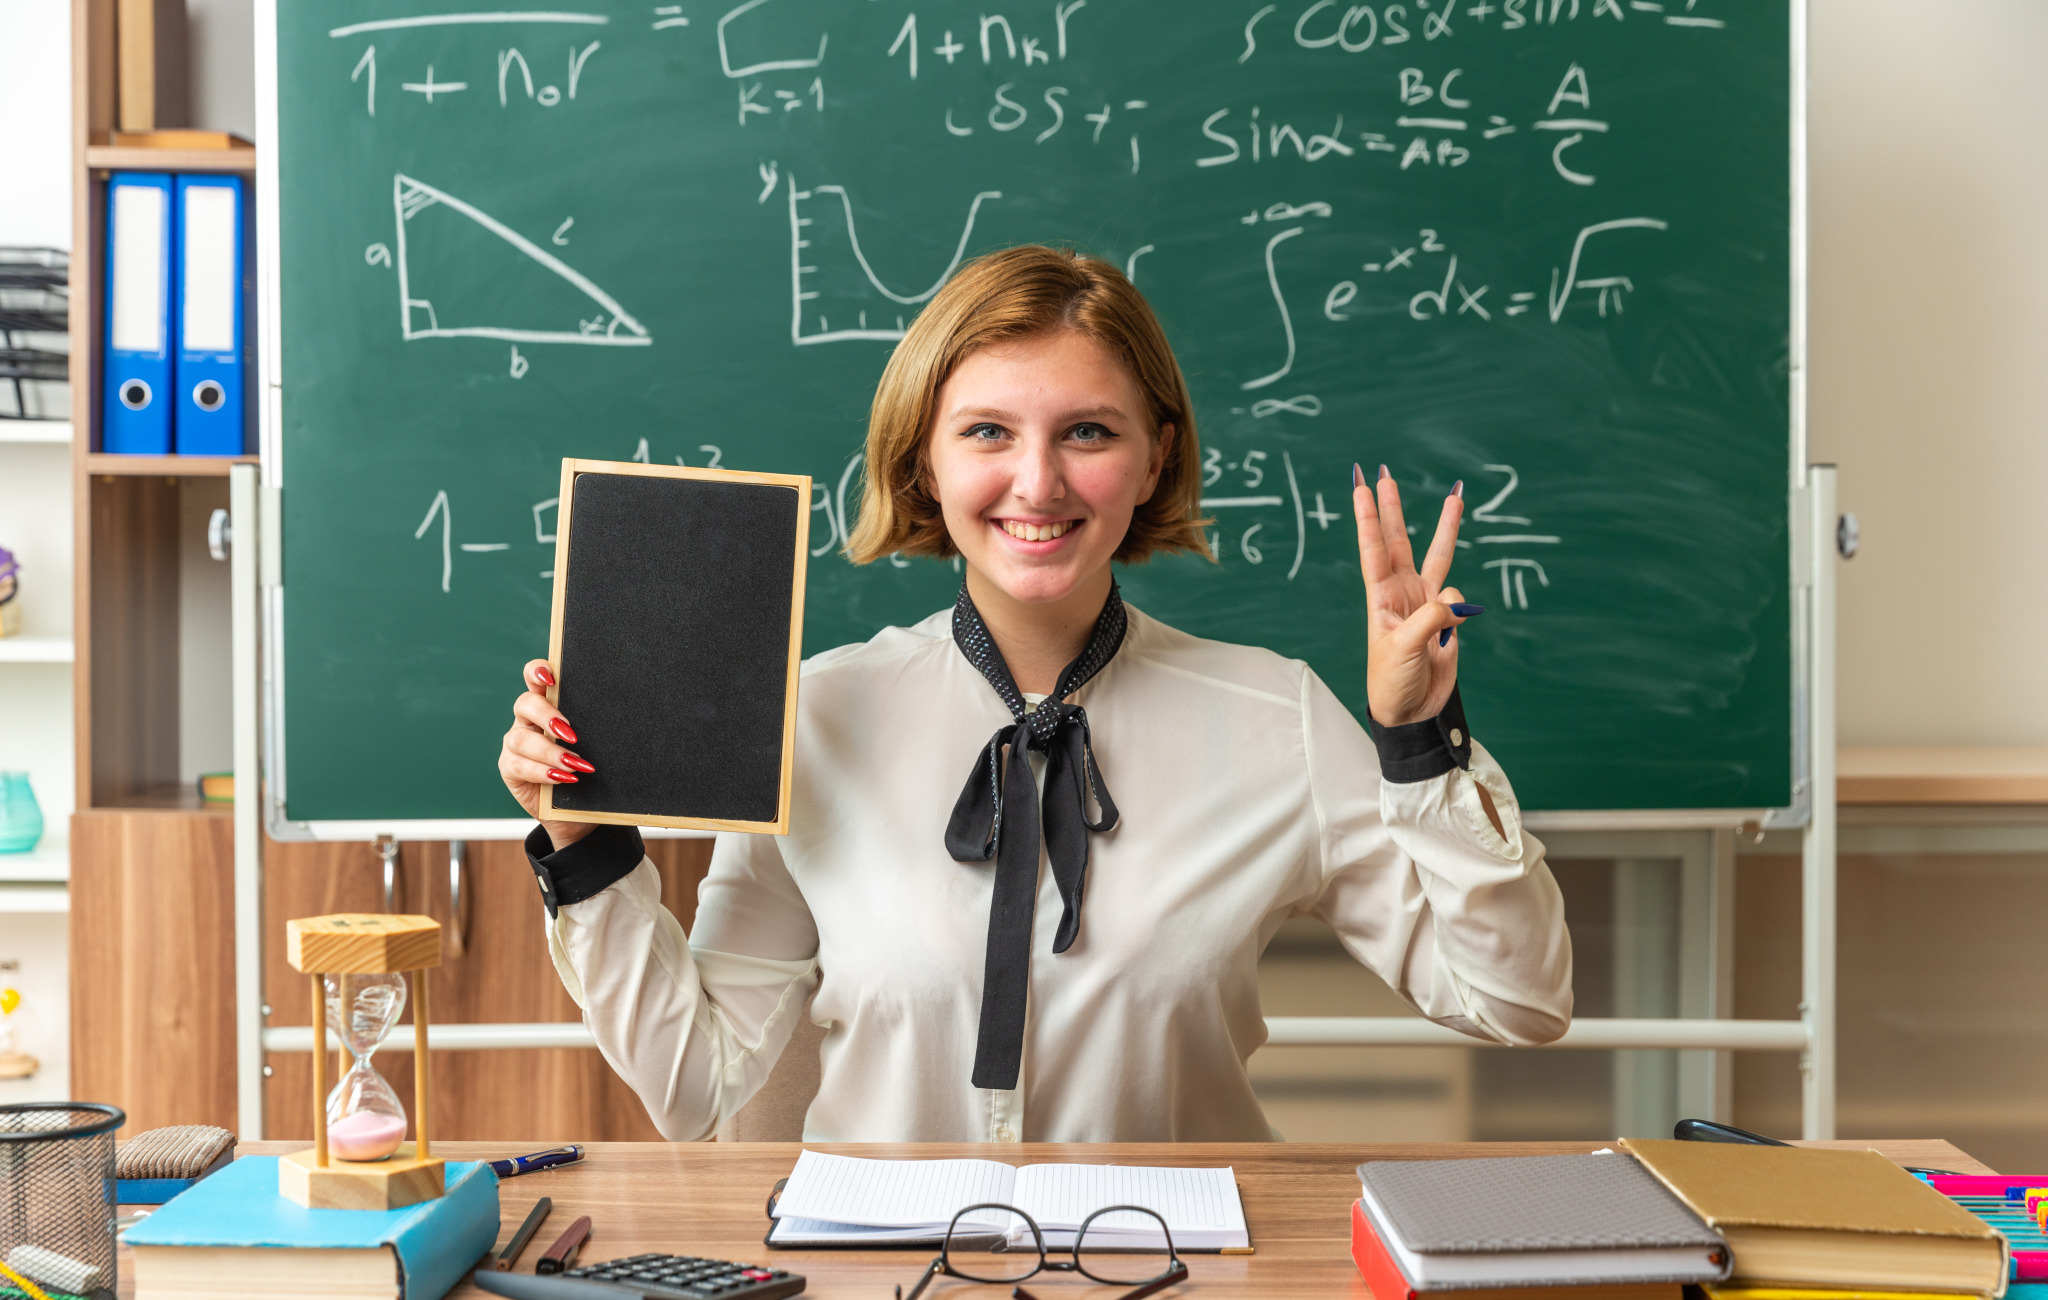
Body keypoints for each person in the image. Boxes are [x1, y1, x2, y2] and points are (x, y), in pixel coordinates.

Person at [498, 245, 1571, 1142]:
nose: (1037, 482)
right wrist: (587, 840)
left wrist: (1421, 740)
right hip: (883, 1272)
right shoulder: (814, 716)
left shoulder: (1273, 717)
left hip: (1175, 1268)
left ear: (1155, 458)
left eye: (1088, 433)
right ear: (922, 461)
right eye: (987, 432)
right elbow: (700, 1089)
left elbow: (1517, 1004)